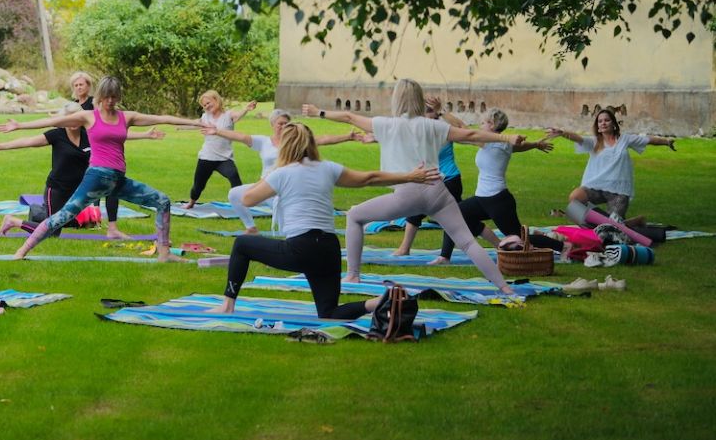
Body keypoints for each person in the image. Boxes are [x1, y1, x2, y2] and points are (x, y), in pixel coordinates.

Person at [303, 78, 525, 294]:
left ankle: (352, 274)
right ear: (420, 100)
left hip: (407, 192)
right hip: (437, 190)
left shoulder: (386, 124)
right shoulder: (433, 125)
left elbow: (349, 116)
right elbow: (471, 133)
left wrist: (317, 112)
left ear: (397, 99)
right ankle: (504, 287)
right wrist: (507, 138)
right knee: (466, 241)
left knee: (354, 216)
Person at [205, 122, 440, 317]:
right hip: (329, 248)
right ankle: (379, 302)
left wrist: (271, 174)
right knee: (328, 312)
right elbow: (368, 178)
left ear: (285, 147)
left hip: (300, 248)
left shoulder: (282, 173)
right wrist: (410, 176)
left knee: (242, 244)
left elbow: (246, 199)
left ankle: (228, 304)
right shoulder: (327, 168)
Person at [0, 76, 204, 261]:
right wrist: (20, 125)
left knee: (162, 201)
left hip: (117, 180)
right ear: (100, 96)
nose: (111, 101)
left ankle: (164, 253)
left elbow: (163, 118)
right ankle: (21, 252)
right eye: (107, 97)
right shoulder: (89, 117)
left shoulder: (126, 117)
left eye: (115, 97)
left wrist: (194, 122)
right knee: (62, 217)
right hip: (96, 178)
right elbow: (54, 120)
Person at [0, 101, 165, 237]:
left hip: (80, 188)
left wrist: (145, 135)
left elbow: (116, 134)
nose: (75, 121)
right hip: (58, 189)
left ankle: (113, 229)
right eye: (71, 116)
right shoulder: (56, 135)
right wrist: (1, 146)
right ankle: (13, 221)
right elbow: (28, 142)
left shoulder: (89, 134)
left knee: (112, 186)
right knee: (53, 232)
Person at [426, 108, 562, 264]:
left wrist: (442, 112)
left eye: (483, 122)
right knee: (453, 215)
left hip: (497, 200)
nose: (481, 125)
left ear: (492, 124)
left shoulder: (489, 142)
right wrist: (536, 144)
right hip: (483, 199)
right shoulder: (504, 141)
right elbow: (519, 147)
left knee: (521, 238)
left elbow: (463, 129)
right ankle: (445, 257)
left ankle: (563, 247)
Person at [202, 109, 361, 234]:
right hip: (264, 187)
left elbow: (324, 139)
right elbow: (240, 136)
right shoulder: (263, 142)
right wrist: (217, 131)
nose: (283, 127)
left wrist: (348, 136)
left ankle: (297, 242)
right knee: (234, 194)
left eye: (286, 124)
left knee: (288, 227)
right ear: (273, 124)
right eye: (280, 124)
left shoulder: (298, 142)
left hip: (285, 190)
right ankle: (251, 228)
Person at [545, 108, 676, 246]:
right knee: (574, 201)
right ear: (598, 127)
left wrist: (666, 142)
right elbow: (578, 138)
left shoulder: (625, 139)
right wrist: (562, 133)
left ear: (614, 124)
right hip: (596, 188)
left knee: (613, 228)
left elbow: (648, 140)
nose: (603, 123)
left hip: (619, 192)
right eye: (600, 121)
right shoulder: (594, 142)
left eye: (607, 120)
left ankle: (625, 225)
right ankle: (630, 223)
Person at [393, 96, 465, 255]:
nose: (427, 115)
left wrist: (442, 111)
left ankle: (405, 249)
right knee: (463, 218)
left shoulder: (443, 127)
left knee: (460, 218)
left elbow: (463, 128)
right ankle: (405, 248)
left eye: (431, 111)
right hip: (434, 180)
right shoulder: (421, 129)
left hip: (449, 180)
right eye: (426, 111)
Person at [67, 70, 128, 236]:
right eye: (76, 85)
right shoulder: (73, 105)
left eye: (82, 84)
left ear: (89, 85)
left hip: (98, 153)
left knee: (109, 187)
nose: (79, 87)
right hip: (78, 151)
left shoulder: (95, 105)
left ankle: (105, 222)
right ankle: (87, 217)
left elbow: (107, 127)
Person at [184, 91, 257, 209]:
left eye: (208, 103)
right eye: (204, 105)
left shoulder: (228, 115)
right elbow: (192, 124)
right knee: (198, 185)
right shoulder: (205, 117)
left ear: (216, 100)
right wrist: (176, 125)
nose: (207, 106)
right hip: (206, 158)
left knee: (235, 178)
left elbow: (237, 116)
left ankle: (242, 204)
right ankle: (191, 202)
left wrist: (246, 109)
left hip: (224, 158)